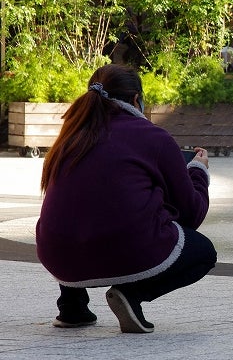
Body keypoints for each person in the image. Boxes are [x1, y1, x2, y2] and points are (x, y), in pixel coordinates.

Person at [36, 64, 217, 333]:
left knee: (79, 211)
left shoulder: (70, 137)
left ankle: (72, 307)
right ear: (136, 99)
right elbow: (191, 214)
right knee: (203, 252)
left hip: (57, 255)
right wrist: (198, 172)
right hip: (125, 249)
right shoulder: (153, 137)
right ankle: (131, 294)